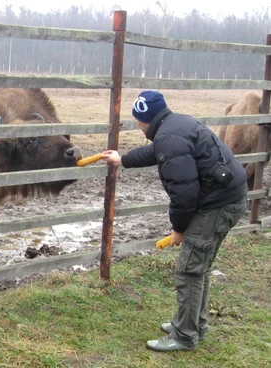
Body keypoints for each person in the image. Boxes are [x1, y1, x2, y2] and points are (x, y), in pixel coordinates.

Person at [101, 90, 248, 352]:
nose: (137, 124)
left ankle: (184, 335)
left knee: (189, 270)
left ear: (144, 118)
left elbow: (184, 193)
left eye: (137, 119)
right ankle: (194, 324)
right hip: (228, 197)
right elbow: (156, 153)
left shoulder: (168, 137)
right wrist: (122, 160)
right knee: (199, 268)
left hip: (217, 205)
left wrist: (178, 229)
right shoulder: (175, 125)